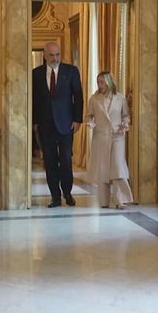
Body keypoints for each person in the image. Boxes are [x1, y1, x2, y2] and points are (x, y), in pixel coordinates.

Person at [32, 42, 83, 208]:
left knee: (66, 160)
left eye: (57, 55)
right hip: (45, 125)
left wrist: (77, 120)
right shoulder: (36, 74)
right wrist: (35, 122)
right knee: (50, 161)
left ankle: (67, 192)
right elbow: (34, 100)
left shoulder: (71, 71)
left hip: (66, 124)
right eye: (51, 55)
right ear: (45, 55)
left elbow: (78, 96)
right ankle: (55, 196)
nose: (55, 58)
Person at [85, 71, 135, 209]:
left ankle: (120, 200)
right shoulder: (94, 99)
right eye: (98, 82)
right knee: (103, 169)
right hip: (101, 136)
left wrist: (125, 124)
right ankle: (104, 201)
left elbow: (126, 115)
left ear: (109, 82)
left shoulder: (120, 97)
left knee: (118, 167)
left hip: (117, 135)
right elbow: (88, 116)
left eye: (102, 81)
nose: (100, 84)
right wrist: (90, 123)